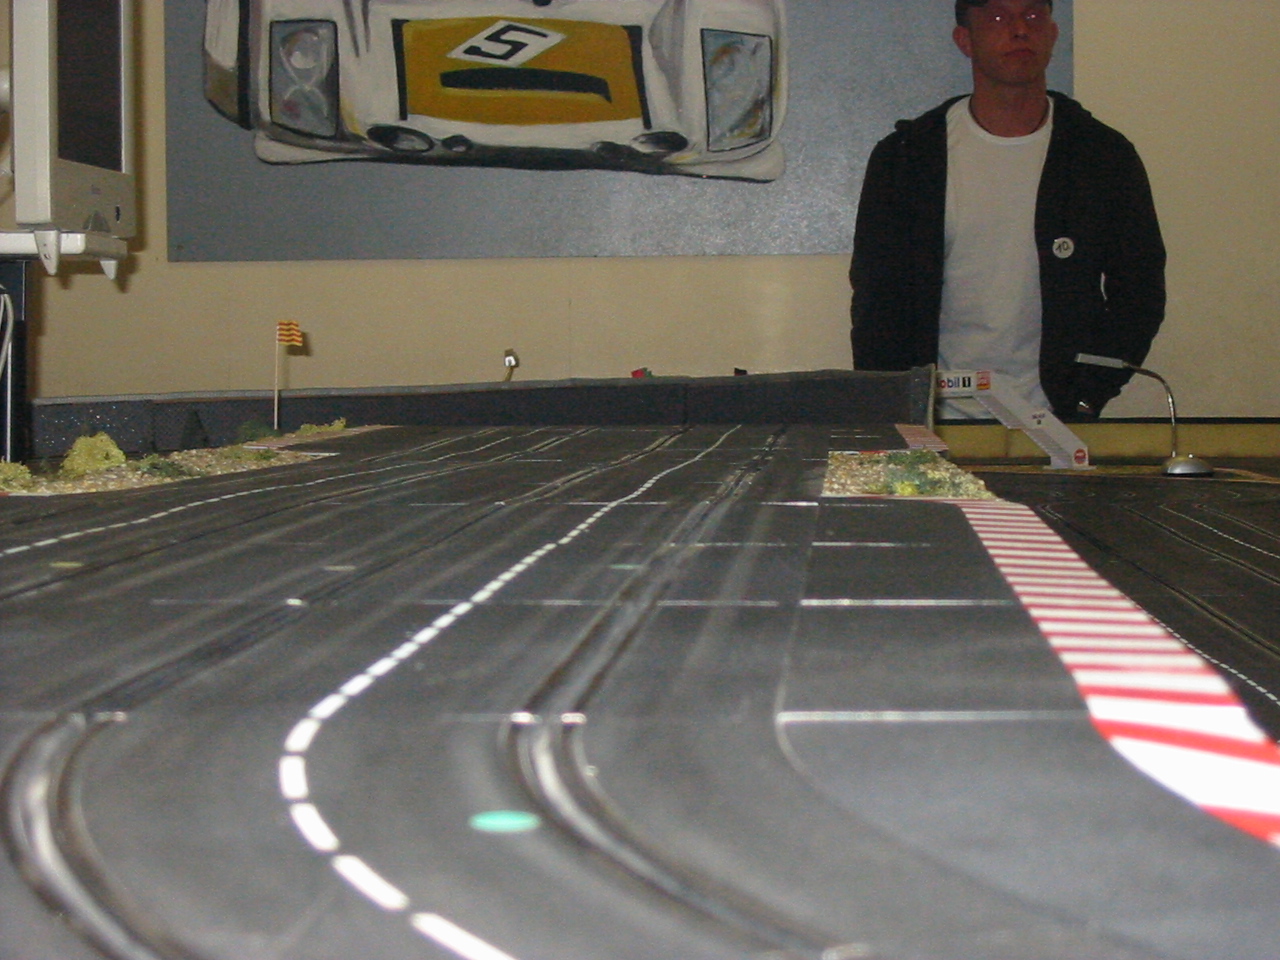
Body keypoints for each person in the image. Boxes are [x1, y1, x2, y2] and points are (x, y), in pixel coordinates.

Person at [849, 0, 1166, 420]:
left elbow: (1140, 293)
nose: (1019, 30)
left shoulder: (1102, 156)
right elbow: (875, 301)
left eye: (1033, 16)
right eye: (998, 17)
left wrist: (1087, 396)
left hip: (1058, 422)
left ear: (1052, 34)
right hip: (933, 422)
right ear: (965, 40)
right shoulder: (907, 158)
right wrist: (897, 406)